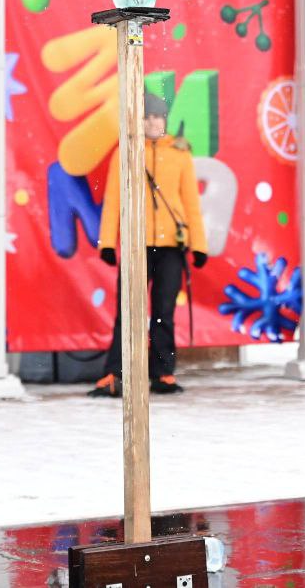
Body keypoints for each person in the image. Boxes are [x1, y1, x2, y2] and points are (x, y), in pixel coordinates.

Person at [89, 93, 207, 397]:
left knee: (164, 312)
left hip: (171, 247)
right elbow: (113, 199)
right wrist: (107, 242)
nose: (152, 122)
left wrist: (199, 245)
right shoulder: (126, 152)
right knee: (127, 311)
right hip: (135, 246)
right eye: (146, 117)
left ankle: (163, 373)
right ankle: (115, 374)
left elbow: (191, 203)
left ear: (165, 120)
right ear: (138, 120)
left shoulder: (180, 155)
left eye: (157, 116)